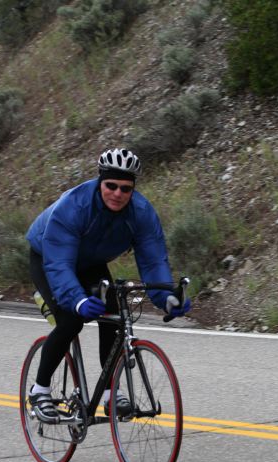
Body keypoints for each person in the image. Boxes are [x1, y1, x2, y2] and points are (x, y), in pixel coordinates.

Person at [25, 148, 189, 422]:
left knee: (113, 318)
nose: (117, 193)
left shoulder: (141, 213)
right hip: (49, 256)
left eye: (125, 188)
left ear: (133, 189)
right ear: (100, 181)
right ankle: (39, 390)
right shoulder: (74, 206)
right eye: (110, 185)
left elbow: (153, 261)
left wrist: (167, 298)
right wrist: (76, 300)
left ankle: (112, 394)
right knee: (70, 321)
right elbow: (59, 264)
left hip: (90, 262)